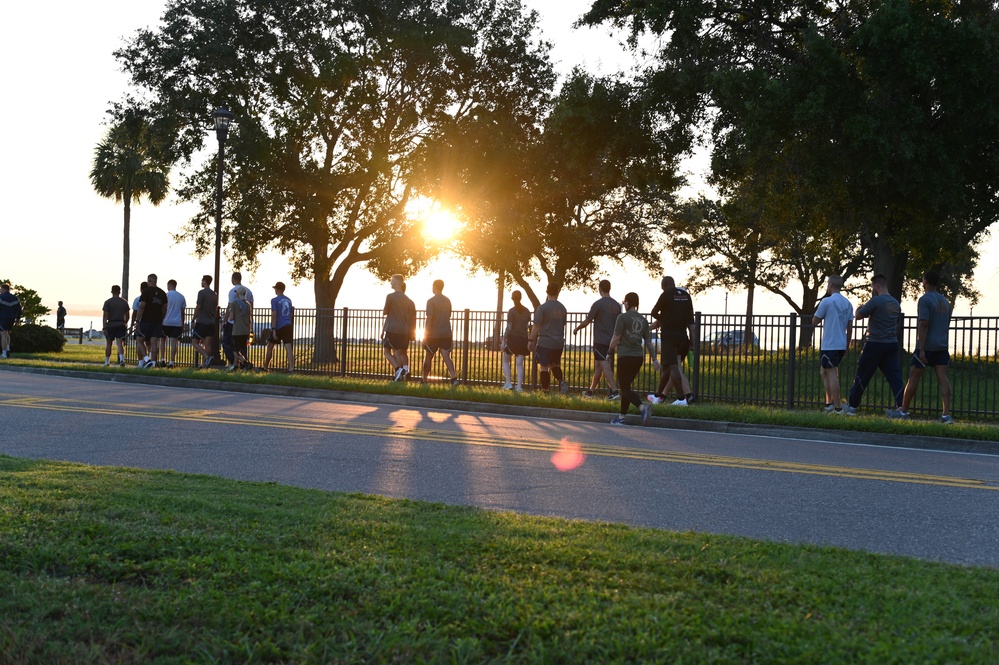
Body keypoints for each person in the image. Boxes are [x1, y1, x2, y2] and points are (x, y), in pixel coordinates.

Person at [887, 269, 954, 423]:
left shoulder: (925, 300)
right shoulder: (945, 302)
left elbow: (924, 324)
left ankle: (903, 411)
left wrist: (921, 349)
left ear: (925, 281)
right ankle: (946, 414)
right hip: (942, 346)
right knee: (943, 379)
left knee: (913, 378)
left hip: (927, 347)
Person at [844, 274, 905, 415]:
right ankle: (902, 406)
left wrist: (860, 306)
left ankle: (852, 406)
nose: (873, 290)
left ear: (877, 286)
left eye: (873, 287)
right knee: (894, 376)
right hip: (891, 344)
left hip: (875, 343)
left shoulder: (876, 301)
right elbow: (896, 323)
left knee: (862, 374)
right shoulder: (896, 303)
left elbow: (858, 315)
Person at [608, 292, 661, 426]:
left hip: (625, 357)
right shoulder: (643, 320)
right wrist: (654, 359)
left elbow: (615, 337)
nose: (624, 304)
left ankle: (642, 408)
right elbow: (649, 342)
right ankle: (621, 417)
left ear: (627, 303)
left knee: (624, 388)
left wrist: (609, 352)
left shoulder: (622, 317)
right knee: (626, 387)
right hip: (638, 358)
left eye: (625, 301)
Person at [649, 276, 696, 406]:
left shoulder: (666, 295)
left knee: (674, 367)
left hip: (669, 338)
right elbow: (691, 323)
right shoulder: (686, 296)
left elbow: (653, 312)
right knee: (669, 368)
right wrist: (693, 343)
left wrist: (662, 319)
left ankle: (682, 399)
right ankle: (658, 395)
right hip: (683, 338)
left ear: (664, 285)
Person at [572, 279, 621, 399]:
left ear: (600, 289)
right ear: (609, 288)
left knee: (604, 365)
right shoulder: (616, 305)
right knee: (599, 366)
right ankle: (591, 390)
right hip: (612, 341)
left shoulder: (598, 304)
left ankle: (615, 391)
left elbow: (588, 320)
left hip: (600, 340)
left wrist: (577, 328)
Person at [812, 275, 853, 414]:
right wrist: (847, 345)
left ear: (830, 285)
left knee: (831, 373)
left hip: (829, 344)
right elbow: (850, 327)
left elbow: (814, 321)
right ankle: (829, 403)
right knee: (823, 371)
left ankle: (837, 408)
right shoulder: (848, 303)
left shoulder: (827, 302)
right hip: (841, 344)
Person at [528, 282, 568, 393]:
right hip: (558, 342)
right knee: (554, 364)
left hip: (545, 341)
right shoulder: (562, 308)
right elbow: (562, 324)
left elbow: (536, 326)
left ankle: (545, 389)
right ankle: (561, 381)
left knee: (544, 366)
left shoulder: (542, 308)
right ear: (558, 292)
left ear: (547, 292)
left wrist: (531, 339)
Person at [421, 279, 459, 385]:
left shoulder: (431, 301)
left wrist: (425, 334)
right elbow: (448, 315)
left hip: (433, 334)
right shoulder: (447, 301)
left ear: (435, 287)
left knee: (428, 356)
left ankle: (424, 379)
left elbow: (429, 318)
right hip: (446, 332)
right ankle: (454, 378)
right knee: (446, 356)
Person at [382, 274, 416, 381]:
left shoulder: (390, 296)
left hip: (392, 328)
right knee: (400, 352)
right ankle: (402, 372)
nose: (391, 283)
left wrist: (383, 330)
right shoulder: (408, 300)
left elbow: (385, 312)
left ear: (397, 283)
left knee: (387, 351)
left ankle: (398, 369)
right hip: (403, 330)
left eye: (392, 281)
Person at [134, 274, 168, 368]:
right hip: (157, 321)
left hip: (146, 320)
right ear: (156, 280)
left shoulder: (146, 292)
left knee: (139, 340)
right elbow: (165, 308)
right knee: (154, 343)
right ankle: (153, 363)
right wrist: (162, 317)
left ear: (148, 281)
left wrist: (137, 320)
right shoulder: (162, 293)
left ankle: (146, 359)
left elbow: (142, 306)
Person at [222, 272, 253, 369]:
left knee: (228, 344)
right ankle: (239, 365)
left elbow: (230, 309)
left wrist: (225, 320)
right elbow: (251, 311)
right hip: (245, 325)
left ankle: (239, 362)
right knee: (242, 347)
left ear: (233, 278)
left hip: (234, 325)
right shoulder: (248, 293)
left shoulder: (232, 293)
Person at [502, 290, 531, 391]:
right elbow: (528, 326)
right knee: (519, 364)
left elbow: (509, 327)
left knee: (505, 360)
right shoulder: (527, 311)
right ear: (521, 298)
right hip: (523, 339)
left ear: (512, 298)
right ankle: (519, 386)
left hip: (513, 339)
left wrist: (504, 340)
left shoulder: (511, 311)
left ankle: (508, 383)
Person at [264, 281, 295, 372]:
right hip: (288, 325)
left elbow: (274, 314)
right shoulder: (289, 300)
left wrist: (273, 329)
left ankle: (266, 367)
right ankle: (291, 368)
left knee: (270, 346)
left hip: (278, 326)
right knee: (288, 347)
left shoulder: (274, 300)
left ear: (277, 290)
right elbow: (290, 314)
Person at [191, 275, 219, 368]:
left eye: (202, 280)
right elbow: (215, 309)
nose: (201, 282)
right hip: (211, 322)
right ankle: (204, 365)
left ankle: (207, 357)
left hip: (202, 321)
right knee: (207, 344)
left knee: (195, 342)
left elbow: (198, 306)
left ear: (205, 281)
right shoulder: (214, 295)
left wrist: (193, 318)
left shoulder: (202, 293)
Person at [101, 285, 130, 366]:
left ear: (112, 291)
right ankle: (121, 360)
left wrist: (104, 327)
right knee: (120, 343)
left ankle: (107, 361)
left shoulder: (108, 302)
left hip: (111, 324)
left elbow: (105, 316)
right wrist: (125, 322)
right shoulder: (124, 302)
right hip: (121, 324)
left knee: (109, 343)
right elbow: (128, 315)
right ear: (119, 291)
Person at [161, 279, 187, 368]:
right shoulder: (181, 297)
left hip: (166, 321)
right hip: (177, 322)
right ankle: (171, 361)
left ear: (169, 285)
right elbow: (182, 312)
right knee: (174, 342)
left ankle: (162, 359)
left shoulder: (165, 295)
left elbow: (162, 309)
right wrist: (182, 324)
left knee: (162, 340)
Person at [229, 285, 253, 370]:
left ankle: (246, 363)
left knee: (235, 350)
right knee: (242, 349)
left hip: (237, 330)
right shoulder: (248, 304)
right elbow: (249, 318)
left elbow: (231, 317)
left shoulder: (234, 303)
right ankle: (236, 365)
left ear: (238, 294)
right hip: (245, 330)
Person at [0, 283, 23, 359]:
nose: (0, 291)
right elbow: (19, 309)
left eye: (1, 289)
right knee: (7, 334)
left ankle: (4, 353)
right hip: (11, 319)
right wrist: (18, 319)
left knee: (3, 334)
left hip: (3, 318)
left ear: (3, 289)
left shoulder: (1, 297)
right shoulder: (15, 298)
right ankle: (8, 349)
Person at [130, 281, 148, 363]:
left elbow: (134, 314)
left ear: (140, 289)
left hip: (140, 323)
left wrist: (132, 324)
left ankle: (141, 361)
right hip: (150, 323)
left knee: (139, 342)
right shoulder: (151, 300)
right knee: (150, 343)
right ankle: (150, 360)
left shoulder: (137, 299)